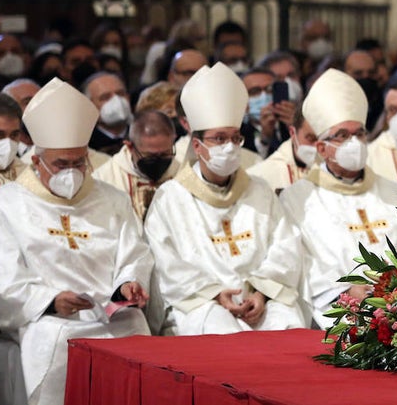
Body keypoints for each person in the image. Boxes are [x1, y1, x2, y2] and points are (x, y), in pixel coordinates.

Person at [0, 78, 153, 405]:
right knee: (55, 341)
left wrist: (128, 284)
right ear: (36, 161)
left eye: (78, 162)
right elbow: (0, 282)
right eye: (61, 164)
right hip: (46, 320)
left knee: (137, 328)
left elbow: (134, 254)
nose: (71, 172)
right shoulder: (4, 204)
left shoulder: (111, 199)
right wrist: (51, 300)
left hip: (111, 316)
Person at [143, 63, 305, 335]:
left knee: (287, 320)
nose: (229, 147)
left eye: (234, 138)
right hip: (201, 302)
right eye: (219, 138)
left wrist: (261, 292)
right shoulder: (171, 198)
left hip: (259, 298)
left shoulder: (259, 190)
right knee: (218, 327)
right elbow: (167, 264)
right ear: (197, 145)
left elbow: (285, 247)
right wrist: (216, 294)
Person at [279, 70, 397, 328]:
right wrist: (345, 290)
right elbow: (300, 261)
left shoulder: (394, 192)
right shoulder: (297, 199)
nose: (354, 142)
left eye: (359, 134)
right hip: (338, 306)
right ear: (321, 148)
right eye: (342, 135)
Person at [95, 110, 180, 221]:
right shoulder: (105, 179)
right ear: (130, 147)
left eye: (165, 154)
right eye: (150, 156)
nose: (159, 160)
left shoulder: (182, 172)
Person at [247, 105, 319, 194]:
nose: (318, 146)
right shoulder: (261, 175)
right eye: (311, 139)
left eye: (324, 139)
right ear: (293, 133)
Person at [83, 71, 132, 156]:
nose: (117, 101)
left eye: (120, 94)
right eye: (105, 97)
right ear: (89, 106)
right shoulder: (85, 145)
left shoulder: (143, 135)